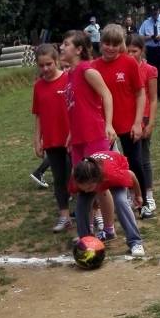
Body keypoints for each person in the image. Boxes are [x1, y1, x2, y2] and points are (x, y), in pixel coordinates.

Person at [59, 30, 118, 240]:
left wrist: (109, 124)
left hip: (94, 135)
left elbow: (107, 94)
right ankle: (89, 231)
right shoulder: (70, 74)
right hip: (78, 139)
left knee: (100, 186)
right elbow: (75, 107)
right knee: (82, 186)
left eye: (66, 44)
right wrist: (70, 134)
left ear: (79, 49)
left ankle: (109, 230)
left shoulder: (87, 70)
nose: (62, 47)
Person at [93, 23, 145, 210]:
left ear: (120, 44)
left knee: (135, 164)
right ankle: (109, 205)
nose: (110, 48)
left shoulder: (129, 62)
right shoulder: (93, 67)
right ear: (101, 43)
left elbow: (140, 93)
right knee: (107, 168)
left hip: (129, 124)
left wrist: (138, 123)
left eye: (115, 44)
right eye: (107, 43)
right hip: (105, 128)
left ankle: (142, 200)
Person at [69, 152, 146, 257]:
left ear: (97, 181)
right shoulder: (77, 180)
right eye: (83, 188)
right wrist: (92, 201)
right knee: (80, 207)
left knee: (121, 201)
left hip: (115, 165)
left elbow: (131, 175)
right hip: (96, 174)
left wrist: (138, 195)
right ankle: (86, 243)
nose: (86, 191)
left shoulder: (112, 175)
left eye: (89, 188)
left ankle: (135, 242)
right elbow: (84, 194)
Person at [31, 43, 72, 233]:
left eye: (49, 64)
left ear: (56, 61)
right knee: (58, 179)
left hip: (72, 139)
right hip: (51, 140)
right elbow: (38, 114)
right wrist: (37, 140)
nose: (45, 69)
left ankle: (87, 214)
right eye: (41, 65)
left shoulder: (69, 79)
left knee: (76, 176)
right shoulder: (38, 87)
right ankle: (64, 216)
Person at [127, 33, 159, 216]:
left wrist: (151, 123)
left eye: (135, 51)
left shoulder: (149, 70)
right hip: (126, 119)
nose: (131, 54)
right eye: (128, 51)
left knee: (143, 159)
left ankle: (149, 194)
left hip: (144, 117)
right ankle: (134, 193)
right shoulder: (122, 69)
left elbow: (153, 99)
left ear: (142, 50)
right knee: (131, 159)